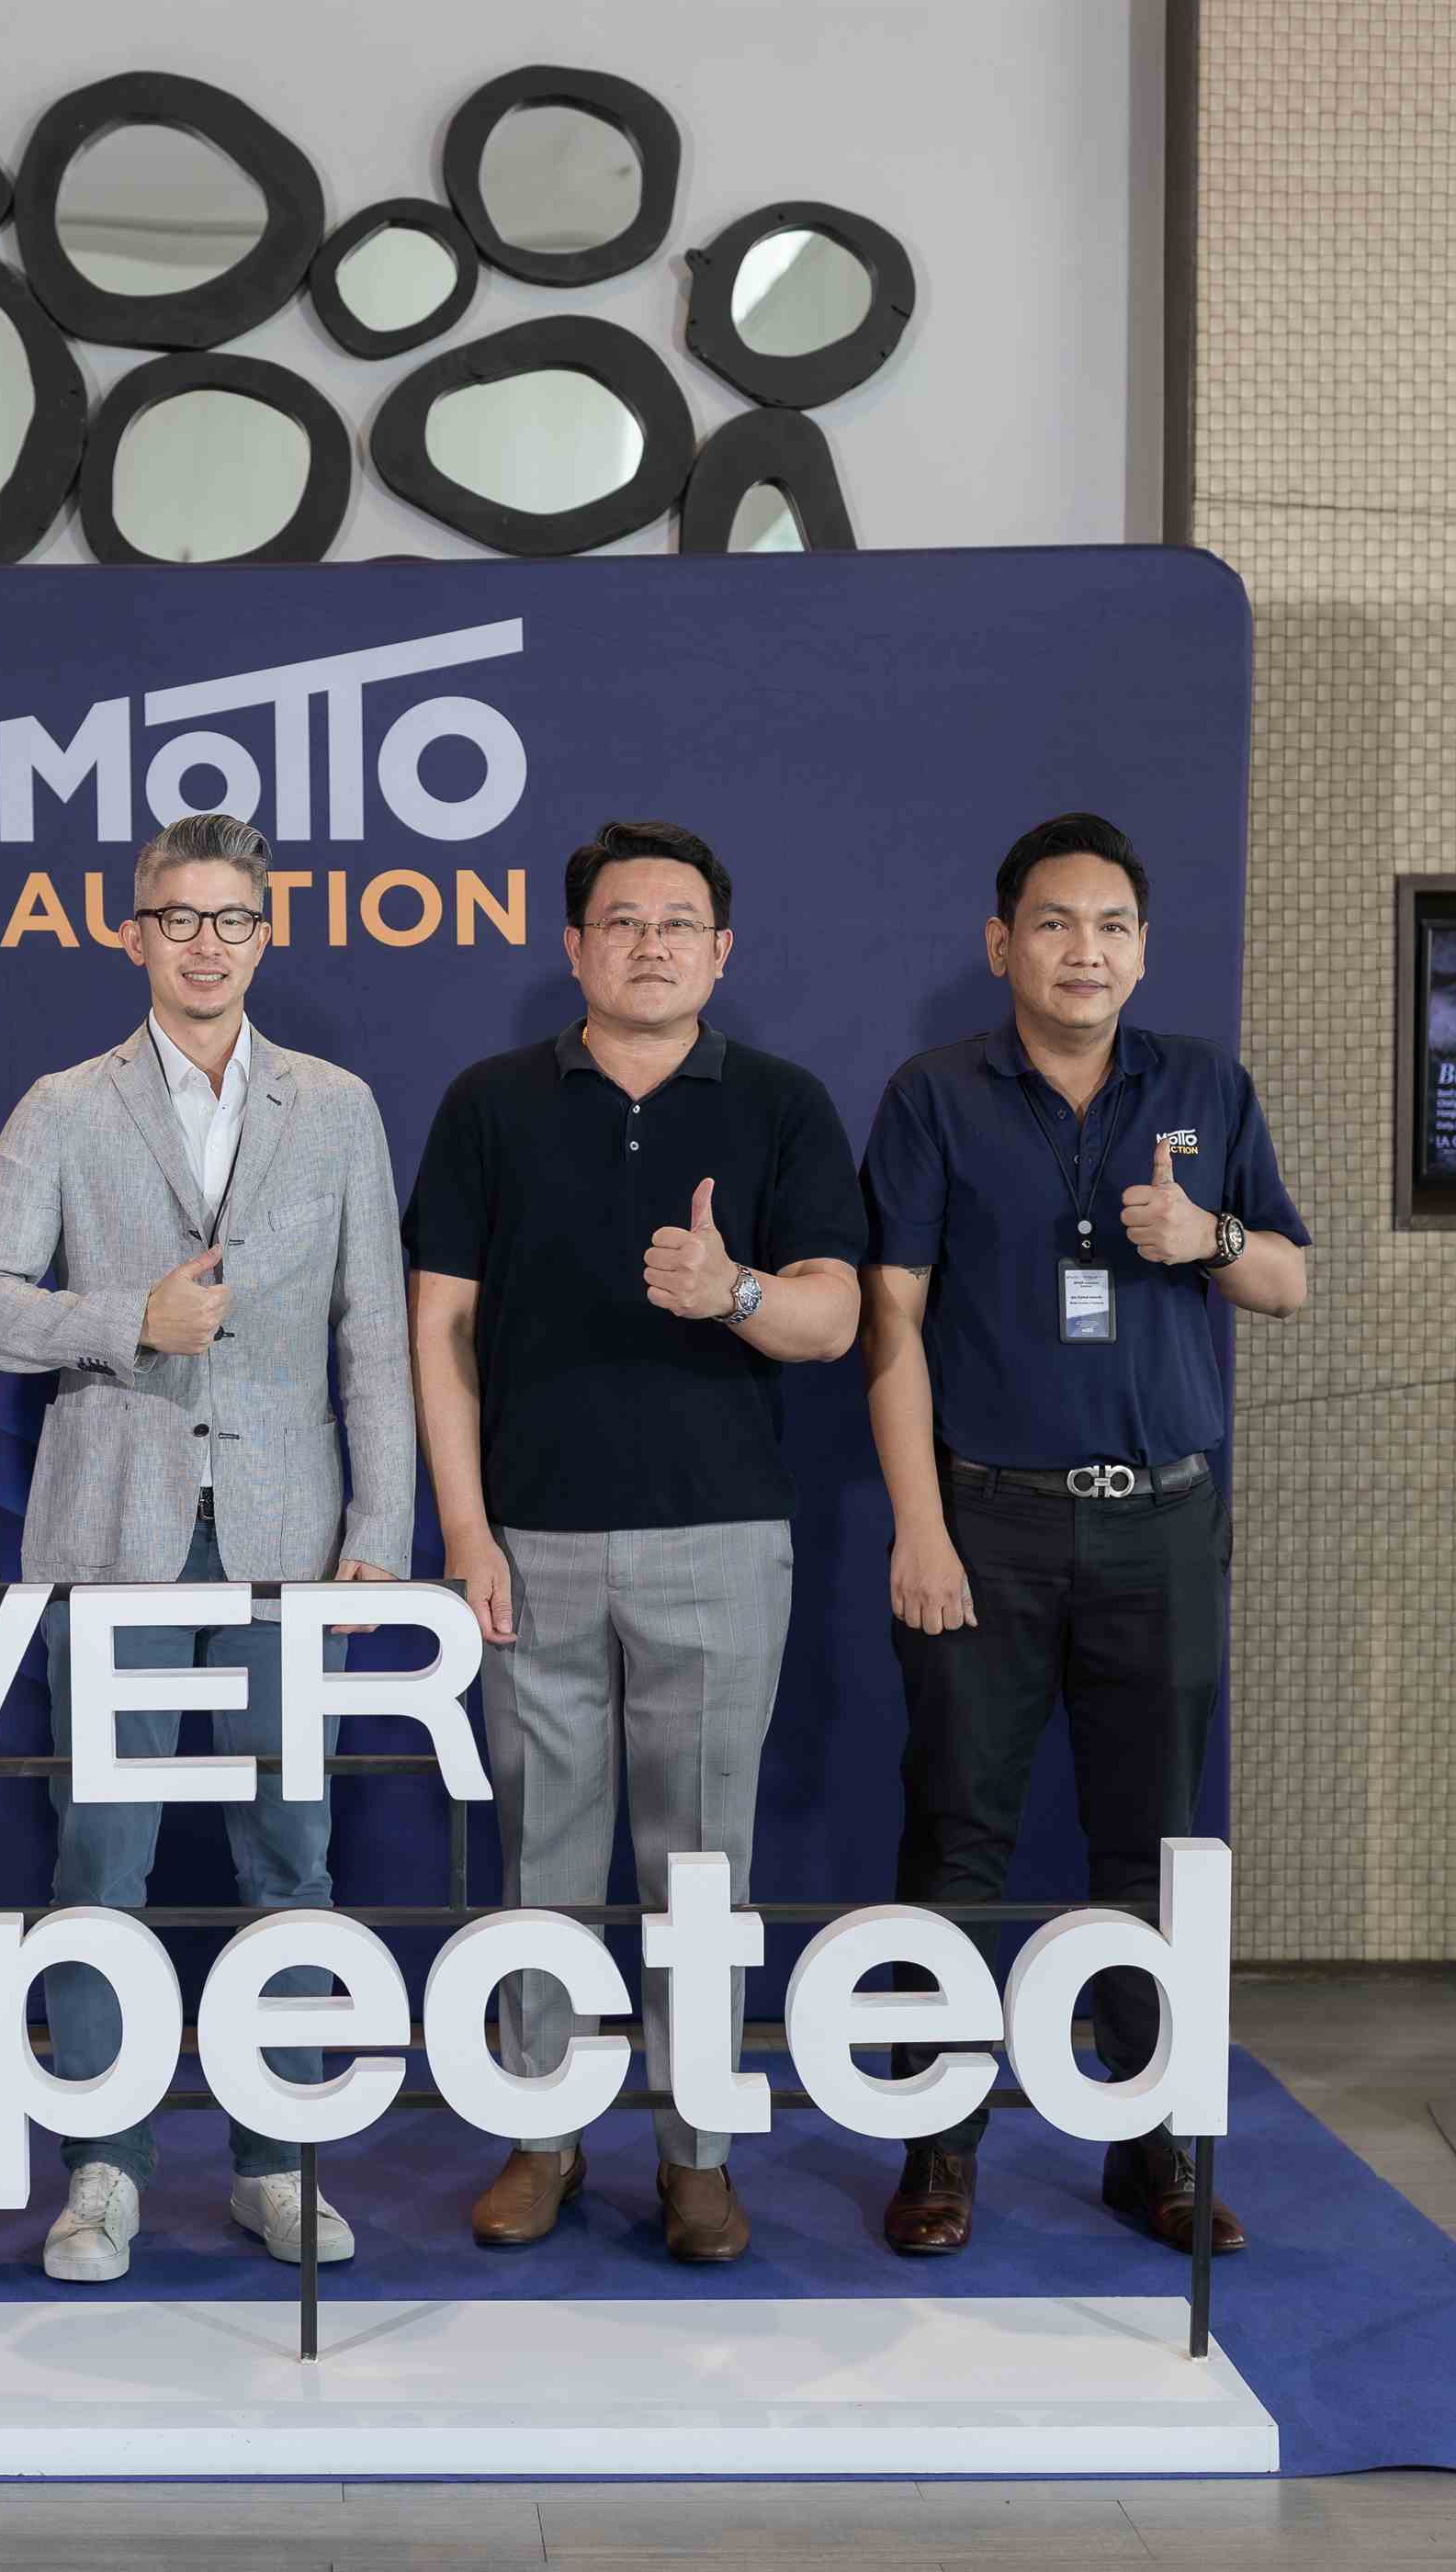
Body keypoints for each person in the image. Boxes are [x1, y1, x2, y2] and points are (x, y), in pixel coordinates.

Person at [0, 811, 413, 2282]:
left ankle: (281, 2159)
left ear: (267, 935)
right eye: (179, 918)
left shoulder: (336, 1106)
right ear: (132, 932)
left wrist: (380, 1529)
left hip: (287, 1539)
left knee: (294, 1853)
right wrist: (123, 1319)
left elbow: (374, 1332)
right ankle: (103, 2172)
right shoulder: (65, 1107)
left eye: (232, 920)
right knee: (101, 1856)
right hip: (112, 1535)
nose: (207, 945)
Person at [405, 819, 867, 2265]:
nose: (649, 944)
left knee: (701, 1868)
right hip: (529, 1540)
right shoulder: (490, 1103)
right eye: (621, 921)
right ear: (573, 946)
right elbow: (438, 1325)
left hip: (720, 1540)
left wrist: (735, 1292)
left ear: (721, 951)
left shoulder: (783, 1105)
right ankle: (538, 2133)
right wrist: (464, 1526)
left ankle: (697, 2153)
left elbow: (836, 1318)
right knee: (542, 1860)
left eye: (677, 923)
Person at [855, 812, 1309, 2260]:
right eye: (1055, 923)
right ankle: (938, 2151)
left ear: (1143, 949)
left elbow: (1289, 1280)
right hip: (983, 1522)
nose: (1084, 951)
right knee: (955, 1841)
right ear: (1003, 942)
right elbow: (890, 1318)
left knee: (1152, 1849)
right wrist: (919, 1524)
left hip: (1161, 1523)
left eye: (1112, 926)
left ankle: (1151, 2149)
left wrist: (1209, 1241)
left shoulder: (1204, 1085)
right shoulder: (935, 1096)